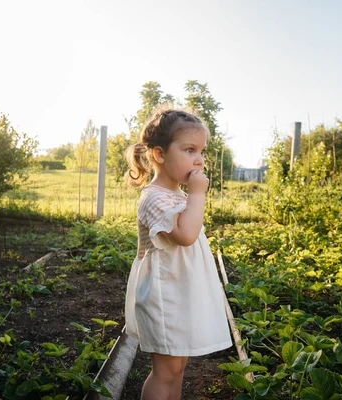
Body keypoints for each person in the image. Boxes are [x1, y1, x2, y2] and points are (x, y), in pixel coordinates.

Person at [124, 108, 233, 400]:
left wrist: (192, 196)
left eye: (201, 151)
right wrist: (198, 195)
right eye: (189, 150)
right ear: (160, 154)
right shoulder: (154, 197)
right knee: (166, 372)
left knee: (177, 368)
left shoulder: (178, 195)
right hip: (164, 298)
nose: (199, 160)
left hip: (179, 293)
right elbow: (185, 235)